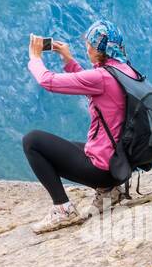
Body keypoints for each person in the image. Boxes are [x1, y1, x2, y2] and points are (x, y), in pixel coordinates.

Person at [23, 19, 138, 233]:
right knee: (76, 146)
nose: (87, 49)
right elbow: (93, 86)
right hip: (119, 162)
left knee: (33, 141)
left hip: (103, 169)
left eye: (89, 45)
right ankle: (109, 192)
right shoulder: (124, 70)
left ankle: (63, 209)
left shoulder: (102, 77)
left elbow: (48, 81)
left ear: (98, 49)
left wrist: (35, 58)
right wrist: (68, 60)